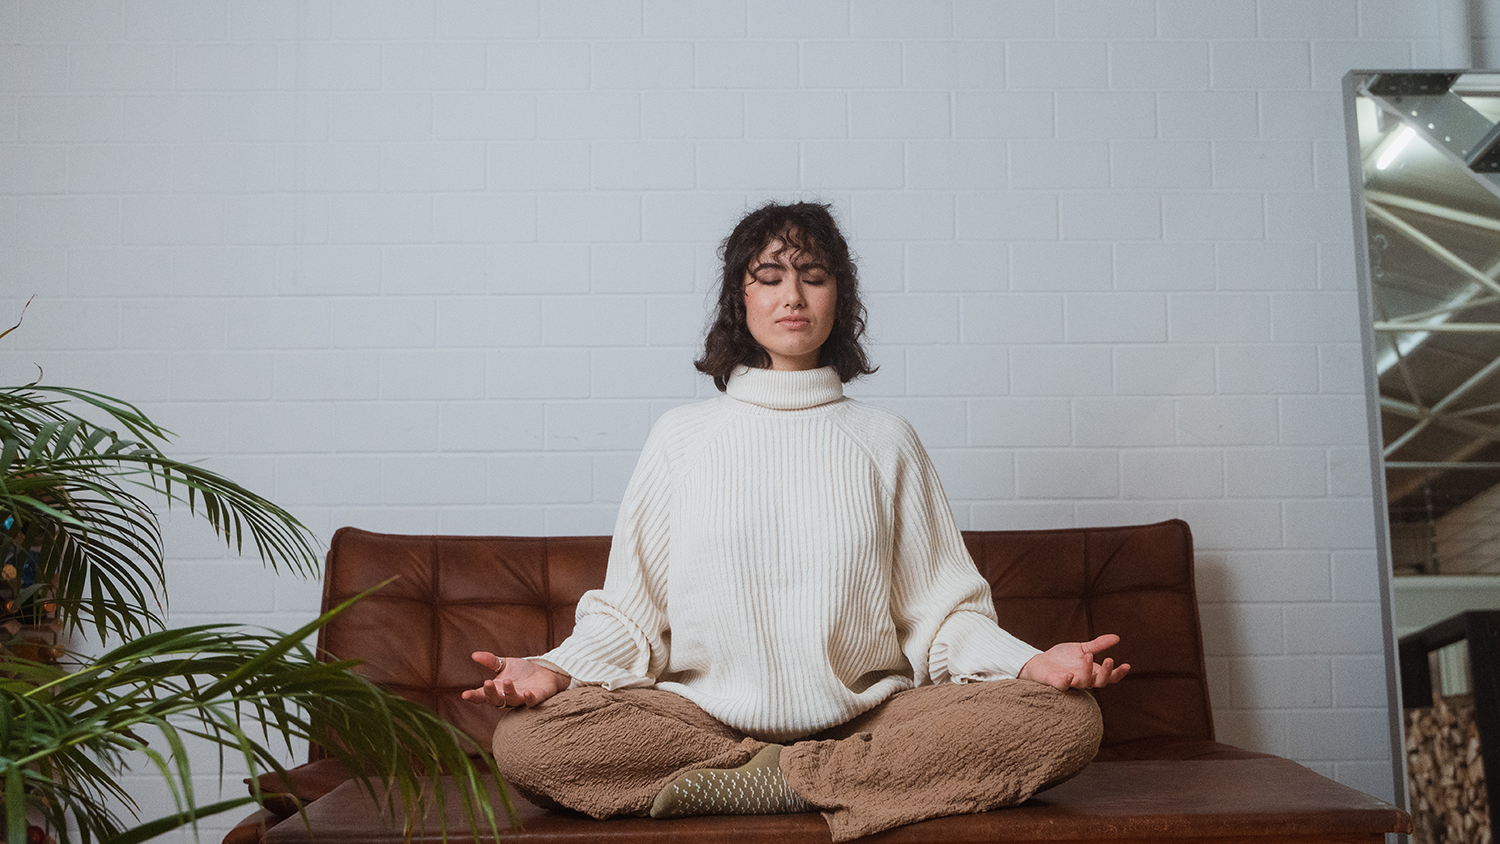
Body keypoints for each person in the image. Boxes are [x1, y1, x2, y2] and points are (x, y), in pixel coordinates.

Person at [463, 201, 1129, 842]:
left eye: (813, 278)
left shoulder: (886, 440)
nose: (793, 297)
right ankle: (830, 786)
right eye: (771, 278)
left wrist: (1031, 663)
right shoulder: (680, 440)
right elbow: (632, 618)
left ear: (839, 298)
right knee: (526, 742)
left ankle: (768, 784)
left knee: (1065, 722)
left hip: (869, 720)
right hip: (702, 721)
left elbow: (945, 616)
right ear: (739, 298)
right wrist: (554, 667)